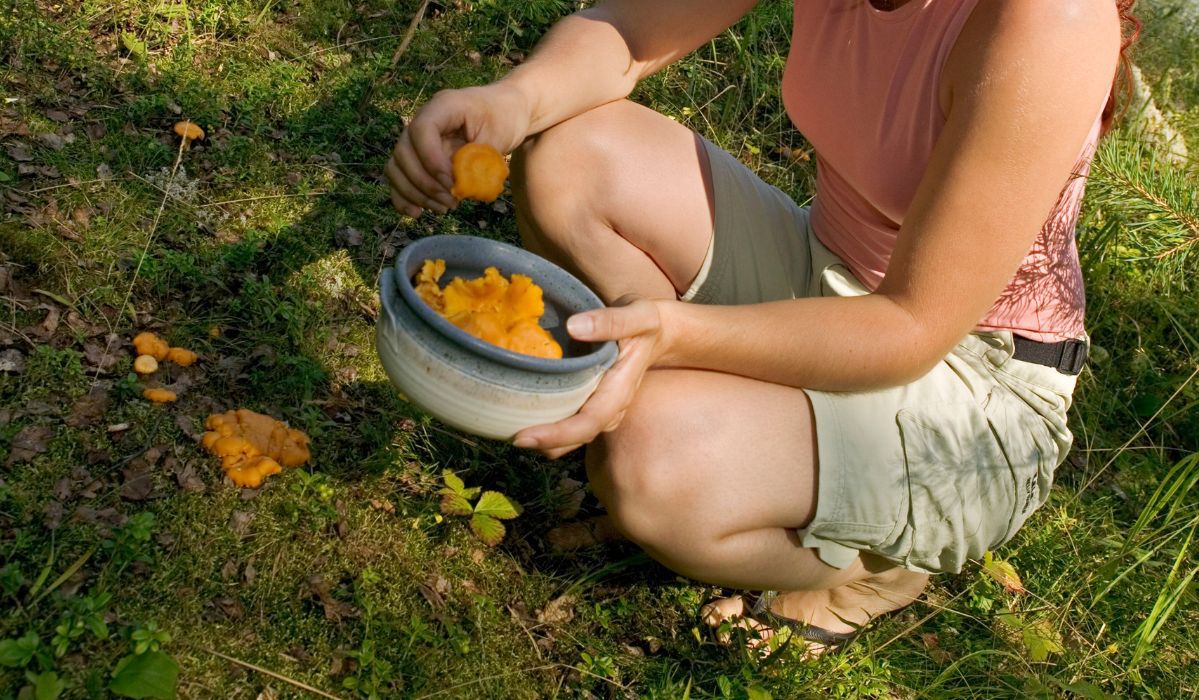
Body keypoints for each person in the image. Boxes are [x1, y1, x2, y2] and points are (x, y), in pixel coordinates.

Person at [385, 0, 1131, 651]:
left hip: (970, 380)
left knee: (656, 461)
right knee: (569, 157)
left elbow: (911, 326)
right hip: (823, 267)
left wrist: (673, 335)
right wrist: (513, 100)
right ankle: (738, 442)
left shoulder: (1048, 19)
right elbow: (628, 30)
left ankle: (868, 572)